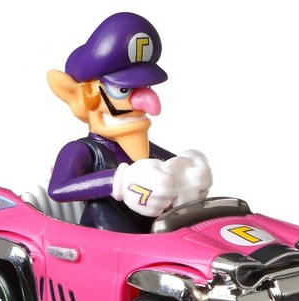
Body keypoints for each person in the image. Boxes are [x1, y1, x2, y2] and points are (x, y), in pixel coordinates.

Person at [47, 12, 212, 233]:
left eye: (146, 88)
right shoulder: (82, 150)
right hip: (104, 233)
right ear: (82, 96)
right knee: (100, 206)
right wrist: (119, 182)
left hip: (150, 230)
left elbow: (170, 165)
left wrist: (187, 168)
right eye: (123, 90)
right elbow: (57, 189)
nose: (149, 104)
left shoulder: (142, 152)